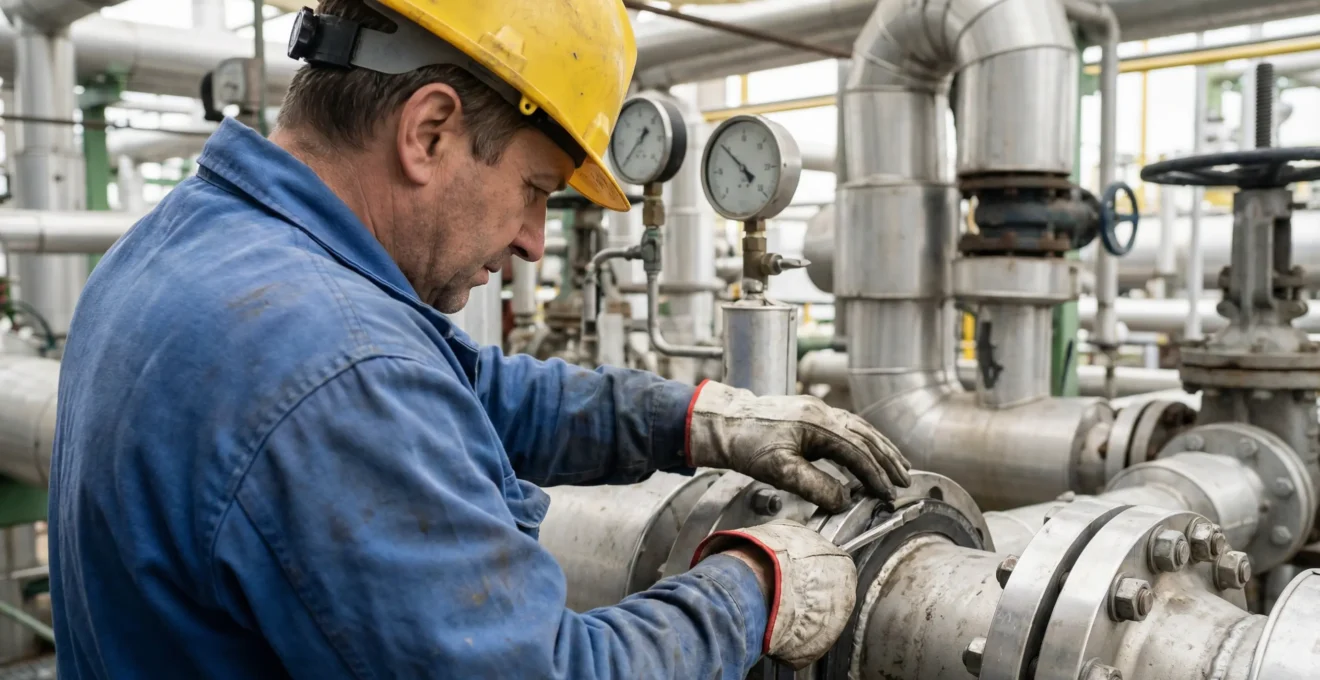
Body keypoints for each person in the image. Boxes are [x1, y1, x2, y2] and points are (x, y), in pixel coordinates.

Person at [47, 1, 911, 677]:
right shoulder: (333, 367)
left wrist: (694, 418)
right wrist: (750, 590)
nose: (536, 239)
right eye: (536, 188)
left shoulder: (189, 242)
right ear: (429, 132)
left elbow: (468, 388)